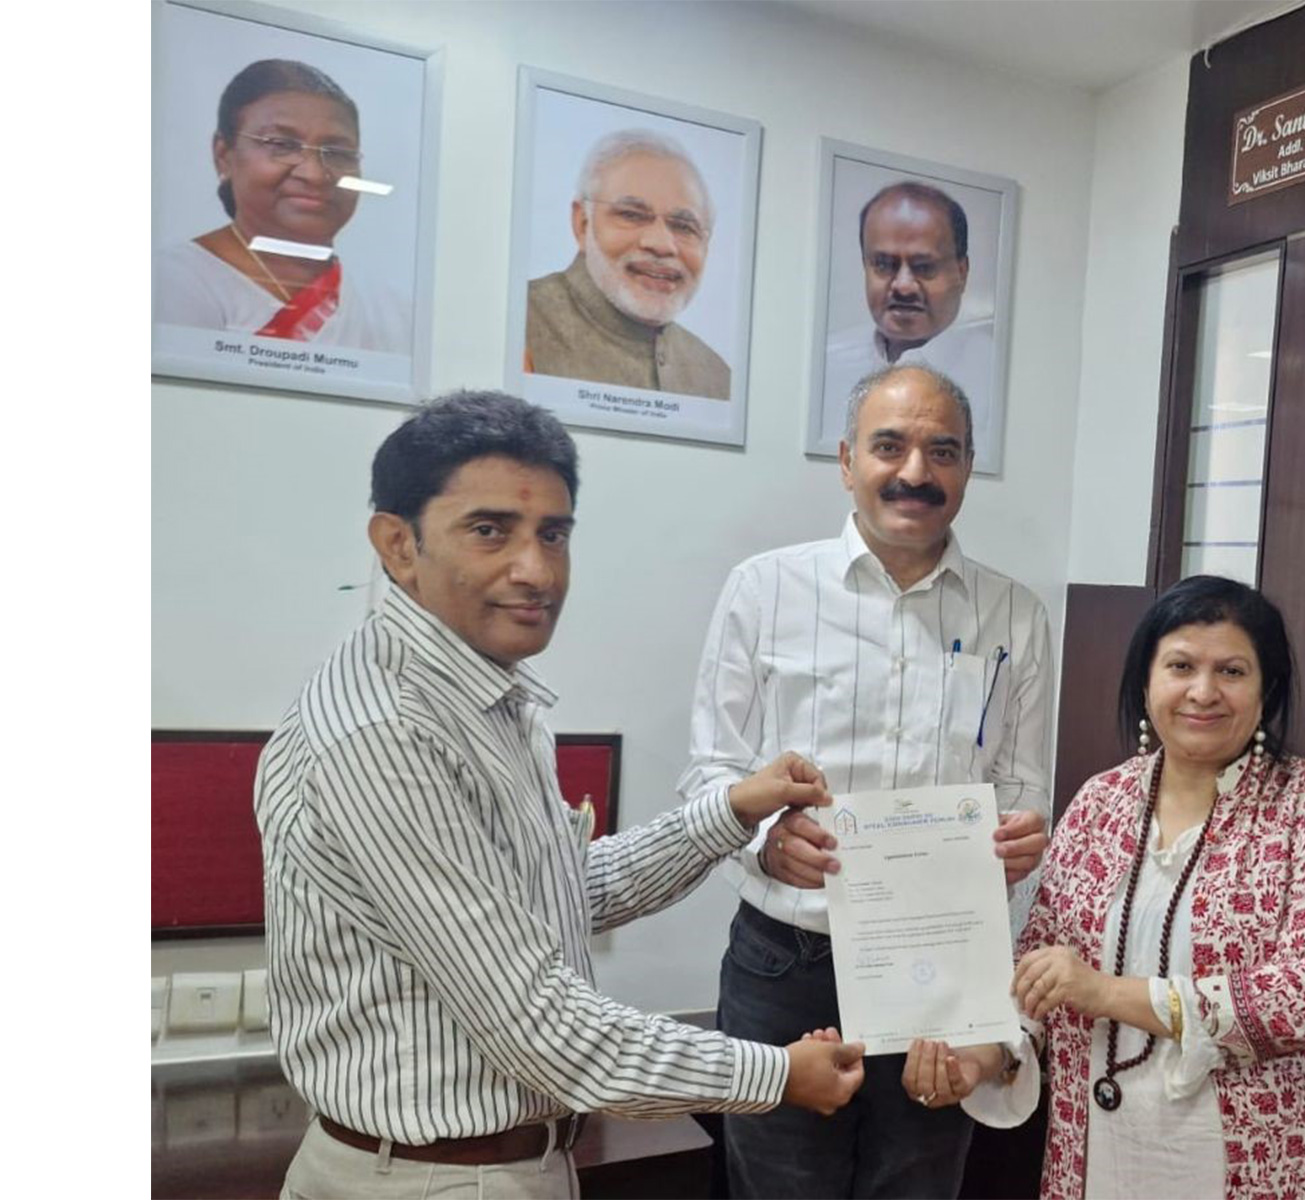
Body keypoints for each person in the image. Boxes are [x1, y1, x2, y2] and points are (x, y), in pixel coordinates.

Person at [254, 390, 865, 1199]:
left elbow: (562, 895)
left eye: (554, 534)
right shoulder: (386, 734)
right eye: (489, 530)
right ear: (397, 545)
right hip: (432, 1180)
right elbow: (544, 1030)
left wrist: (732, 811)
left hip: (497, 1164)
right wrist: (776, 1073)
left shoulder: (484, 699)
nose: (535, 570)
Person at [677, 363, 1054, 1198]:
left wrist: (1025, 836)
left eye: (942, 451)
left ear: (966, 468)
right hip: (787, 964)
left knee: (917, 1185)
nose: (915, 472)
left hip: (941, 969)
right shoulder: (765, 590)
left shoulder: (1016, 615)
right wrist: (765, 846)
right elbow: (707, 772)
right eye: (890, 446)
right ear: (847, 461)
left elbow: (1023, 787)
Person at [901, 575, 1305, 1200]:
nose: (1203, 691)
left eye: (1233, 671)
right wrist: (984, 1060)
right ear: (1147, 680)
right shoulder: (1098, 802)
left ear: (1267, 689)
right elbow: (1038, 970)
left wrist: (1105, 991)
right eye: (1181, 666)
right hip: (1107, 1150)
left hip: (1273, 1154)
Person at [154, 59, 409, 351]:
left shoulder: (392, 312)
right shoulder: (172, 282)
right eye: (282, 145)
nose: (314, 174)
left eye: (337, 152)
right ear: (224, 154)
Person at [524, 129, 730, 399]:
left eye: (683, 226)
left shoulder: (716, 376)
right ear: (582, 224)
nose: (662, 244)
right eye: (632, 215)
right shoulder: (517, 320)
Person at [821, 183, 993, 450]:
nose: (903, 285)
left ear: (962, 271)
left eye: (924, 267)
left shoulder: (992, 373)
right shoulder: (828, 360)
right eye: (884, 265)